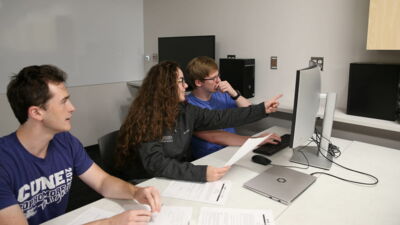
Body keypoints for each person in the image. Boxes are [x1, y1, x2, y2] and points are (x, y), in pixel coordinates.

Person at [0, 65, 161, 225]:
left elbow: (102, 182)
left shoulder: (65, 141)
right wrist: (110, 223)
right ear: (36, 113)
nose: (72, 108)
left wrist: (135, 191)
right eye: (63, 102)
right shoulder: (4, 162)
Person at [115, 61, 282, 183]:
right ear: (165, 87)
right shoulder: (147, 118)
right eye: (180, 81)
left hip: (173, 176)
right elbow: (156, 164)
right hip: (146, 181)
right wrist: (200, 173)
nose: (185, 85)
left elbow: (221, 118)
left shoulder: (185, 110)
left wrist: (262, 109)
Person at [186, 56, 281, 159]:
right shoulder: (188, 106)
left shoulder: (221, 95)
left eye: (218, 76)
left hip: (233, 149)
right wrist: (255, 140)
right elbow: (215, 136)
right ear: (199, 82)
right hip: (210, 157)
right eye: (213, 78)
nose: (219, 81)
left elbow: (250, 112)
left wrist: (234, 93)